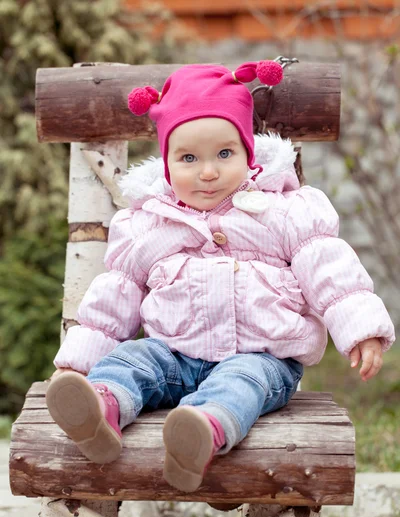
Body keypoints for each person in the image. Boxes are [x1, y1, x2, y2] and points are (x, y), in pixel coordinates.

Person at [46, 61, 395, 493]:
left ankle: (201, 431)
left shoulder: (280, 210)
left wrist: (360, 327)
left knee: (241, 384)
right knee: (133, 362)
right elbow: (115, 294)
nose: (208, 172)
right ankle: (100, 409)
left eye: (224, 154)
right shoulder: (149, 223)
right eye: (189, 158)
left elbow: (327, 264)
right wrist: (76, 363)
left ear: (248, 153)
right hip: (173, 354)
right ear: (168, 164)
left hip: (262, 356)